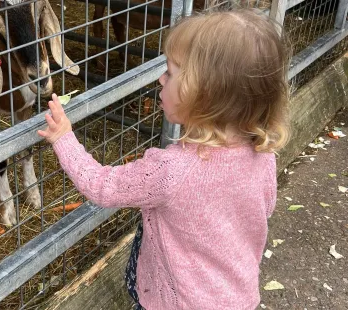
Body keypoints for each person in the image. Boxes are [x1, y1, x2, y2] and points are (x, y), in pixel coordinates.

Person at [37, 8, 291, 310]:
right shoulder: (264, 156)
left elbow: (100, 186)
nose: (160, 78)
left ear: (204, 94)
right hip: (238, 299)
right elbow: (261, 211)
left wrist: (64, 137)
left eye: (170, 72)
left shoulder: (170, 170)